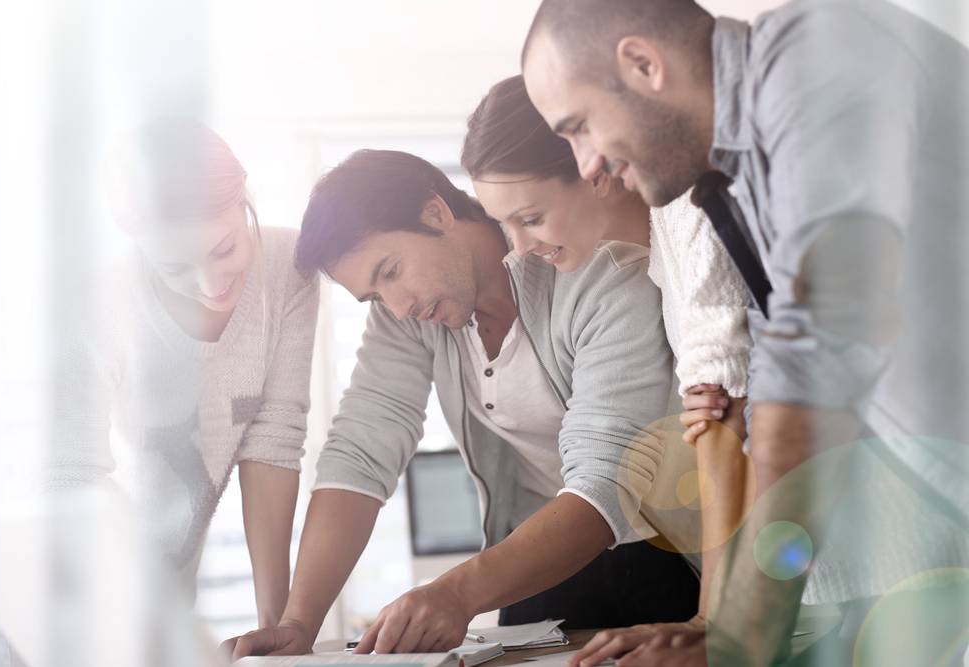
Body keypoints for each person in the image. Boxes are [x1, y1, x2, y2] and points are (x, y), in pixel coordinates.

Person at [521, 0, 969, 665]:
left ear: (643, 64)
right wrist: (726, 617)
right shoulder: (739, 179)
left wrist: (745, 629)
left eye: (579, 126)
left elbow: (820, 343)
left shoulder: (816, 51)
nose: (586, 164)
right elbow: (785, 418)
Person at [222, 148, 702, 660]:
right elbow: (360, 453)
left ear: (436, 212)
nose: (398, 306)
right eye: (374, 296)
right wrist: (299, 622)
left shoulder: (598, 273)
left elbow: (608, 481)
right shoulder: (410, 315)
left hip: (668, 550)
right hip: (535, 561)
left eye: (390, 270)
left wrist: (455, 593)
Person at [461, 73, 755, 643]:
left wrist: (711, 626)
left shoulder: (689, 214)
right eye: (504, 225)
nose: (518, 250)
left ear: (590, 167)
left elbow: (723, 430)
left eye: (531, 218)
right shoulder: (656, 257)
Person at [40, 117, 319, 624]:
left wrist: (277, 632)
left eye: (225, 250)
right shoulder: (97, 302)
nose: (212, 285)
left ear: (245, 198)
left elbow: (273, 440)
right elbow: (69, 473)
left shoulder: (288, 268)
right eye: (174, 268)